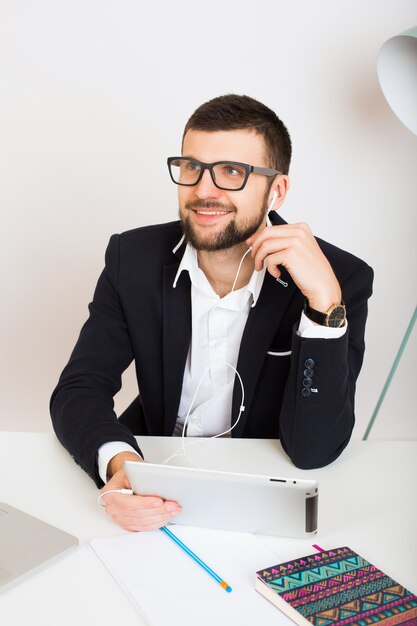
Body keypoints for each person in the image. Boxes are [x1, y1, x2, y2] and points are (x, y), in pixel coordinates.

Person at [50, 94, 373, 532]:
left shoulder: (337, 279)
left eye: (232, 173)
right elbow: (78, 390)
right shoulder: (133, 257)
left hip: (259, 502)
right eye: (191, 168)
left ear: (276, 189)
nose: (204, 190)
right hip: (154, 480)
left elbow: (315, 452)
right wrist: (122, 466)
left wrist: (323, 309)